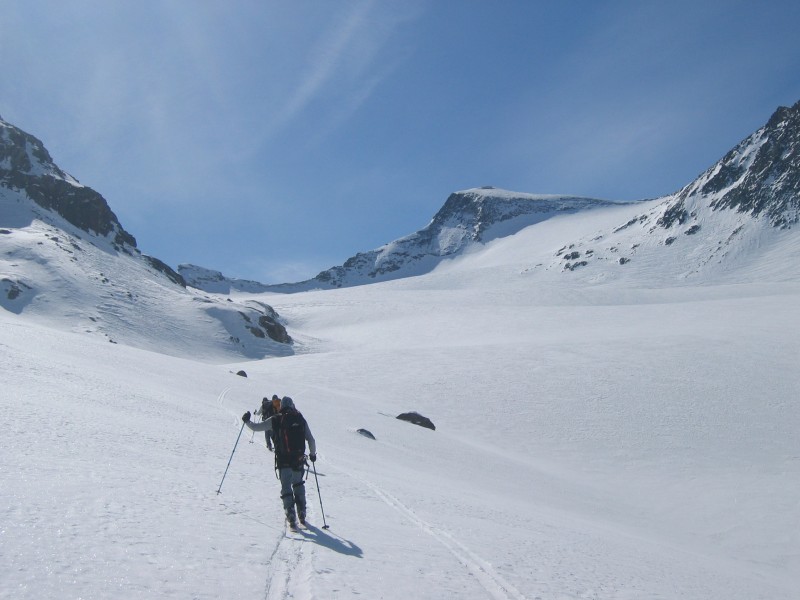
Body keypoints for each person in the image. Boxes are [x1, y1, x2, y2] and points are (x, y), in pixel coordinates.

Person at [242, 396, 317, 529]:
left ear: (281, 406)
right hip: (298, 460)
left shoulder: (276, 419)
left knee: (286, 487)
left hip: (283, 461)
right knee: (298, 484)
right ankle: (302, 513)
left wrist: (247, 421)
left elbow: (256, 427)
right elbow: (311, 440)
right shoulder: (300, 419)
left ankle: (291, 515)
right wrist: (312, 455)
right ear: (293, 405)